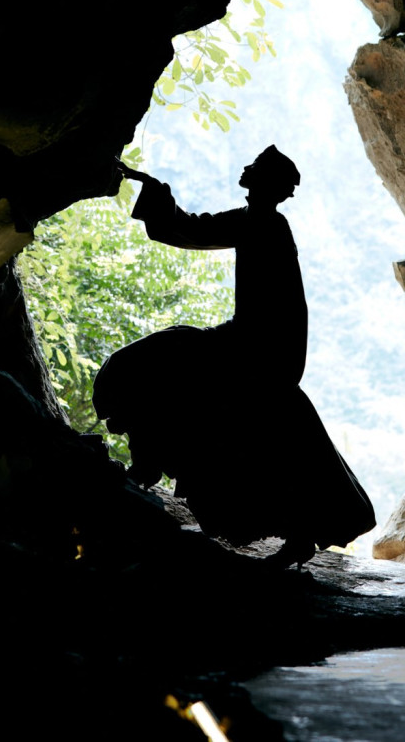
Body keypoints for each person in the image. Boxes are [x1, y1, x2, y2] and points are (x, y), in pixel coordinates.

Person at [93, 146, 375, 565]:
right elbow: (190, 228)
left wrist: (154, 191)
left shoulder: (261, 225)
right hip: (258, 345)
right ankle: (149, 461)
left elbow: (188, 230)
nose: (245, 169)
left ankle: (148, 462)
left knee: (164, 360)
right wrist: (154, 189)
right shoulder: (263, 223)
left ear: (266, 184)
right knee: (172, 360)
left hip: (256, 348)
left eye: (255, 168)